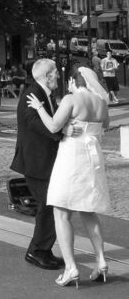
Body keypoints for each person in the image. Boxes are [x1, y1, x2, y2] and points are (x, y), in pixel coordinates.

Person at [27, 66, 110, 288]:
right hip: (92, 159)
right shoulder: (100, 102)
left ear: (74, 81)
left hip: (72, 157)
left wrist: (39, 107)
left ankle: (71, 268)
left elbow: (54, 125)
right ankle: (101, 261)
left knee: (61, 210)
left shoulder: (71, 99)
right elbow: (106, 126)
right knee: (88, 211)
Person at [10, 59, 64, 271]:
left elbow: (56, 116)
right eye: (56, 73)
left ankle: (42, 249)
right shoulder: (33, 93)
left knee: (49, 205)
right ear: (46, 76)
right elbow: (33, 121)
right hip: (35, 161)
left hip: (44, 161)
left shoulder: (44, 93)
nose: (58, 76)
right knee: (49, 205)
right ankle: (37, 251)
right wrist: (58, 133)